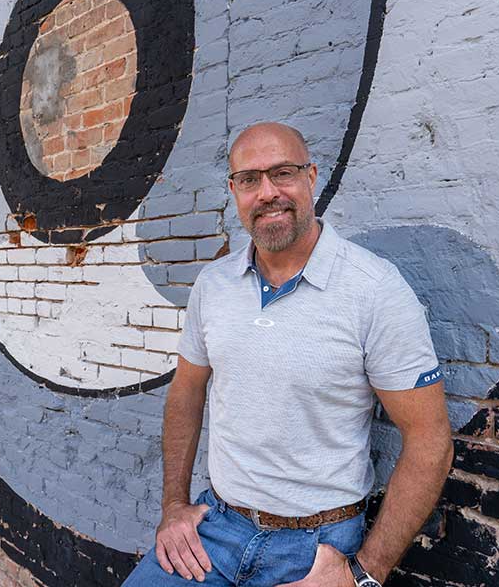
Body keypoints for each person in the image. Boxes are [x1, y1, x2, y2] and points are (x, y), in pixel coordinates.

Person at [122, 122, 453, 587]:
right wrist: (174, 505)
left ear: (311, 176)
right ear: (233, 190)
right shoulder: (213, 286)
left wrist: (363, 576)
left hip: (317, 550)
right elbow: (186, 392)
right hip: (214, 531)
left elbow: (429, 439)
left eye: (283, 173)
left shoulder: (374, 289)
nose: (267, 192)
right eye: (249, 179)